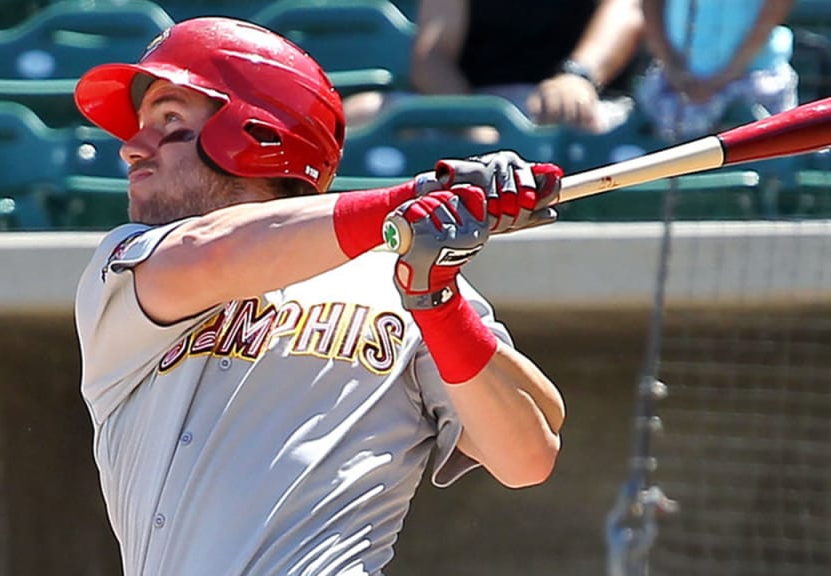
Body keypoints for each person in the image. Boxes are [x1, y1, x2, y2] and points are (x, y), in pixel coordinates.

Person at [73, 17, 566, 576]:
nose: (133, 148)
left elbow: (527, 455)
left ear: (255, 132)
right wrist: (414, 199)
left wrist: (436, 301)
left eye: (169, 120)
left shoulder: (401, 271)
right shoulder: (130, 265)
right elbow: (218, 252)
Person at [345, 0, 646, 133]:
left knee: (596, 125)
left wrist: (577, 77)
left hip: (574, 107)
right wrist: (473, 120)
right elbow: (432, 59)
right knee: (359, 115)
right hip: (474, 103)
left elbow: (626, 11)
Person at [636, 0, 799, 140]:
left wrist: (724, 77)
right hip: (677, 84)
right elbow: (651, 6)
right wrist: (672, 66)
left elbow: (776, 8)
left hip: (754, 82)